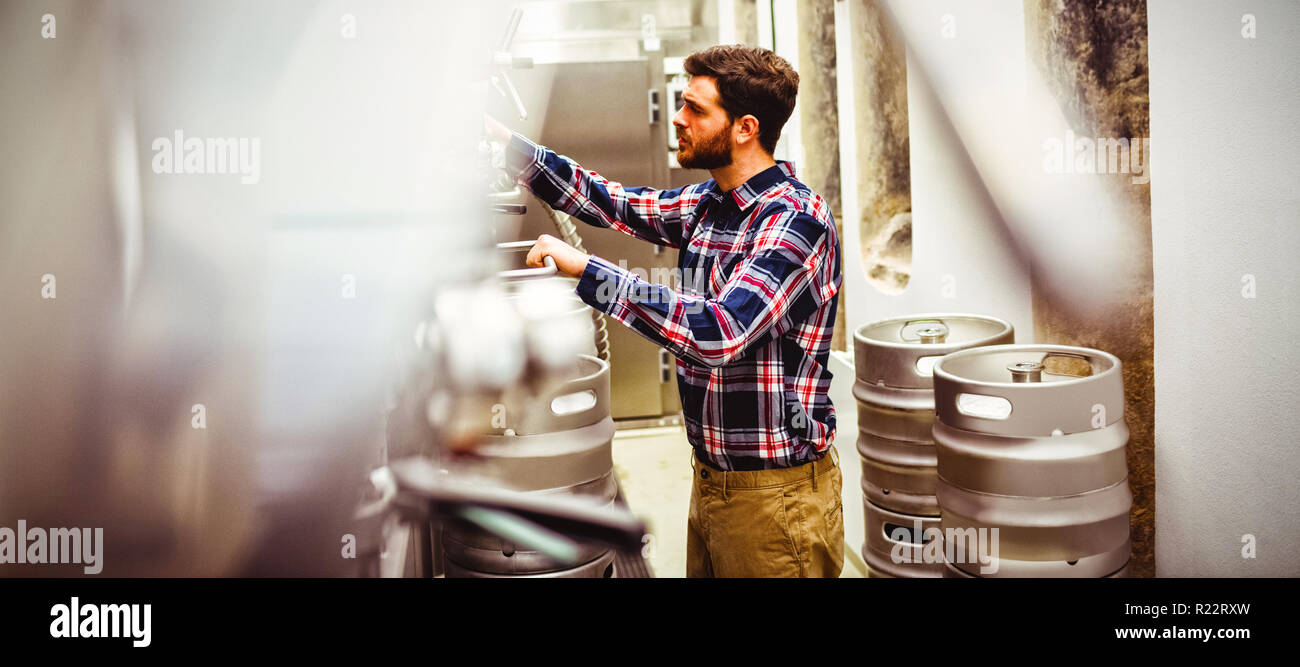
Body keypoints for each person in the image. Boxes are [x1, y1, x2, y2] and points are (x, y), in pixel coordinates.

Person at [484, 44, 843, 577]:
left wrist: (589, 272)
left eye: (695, 108)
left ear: (745, 128)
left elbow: (719, 333)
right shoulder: (710, 203)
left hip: (776, 498)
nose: (678, 118)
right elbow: (610, 201)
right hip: (714, 482)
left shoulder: (795, 221)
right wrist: (505, 145)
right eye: (679, 103)